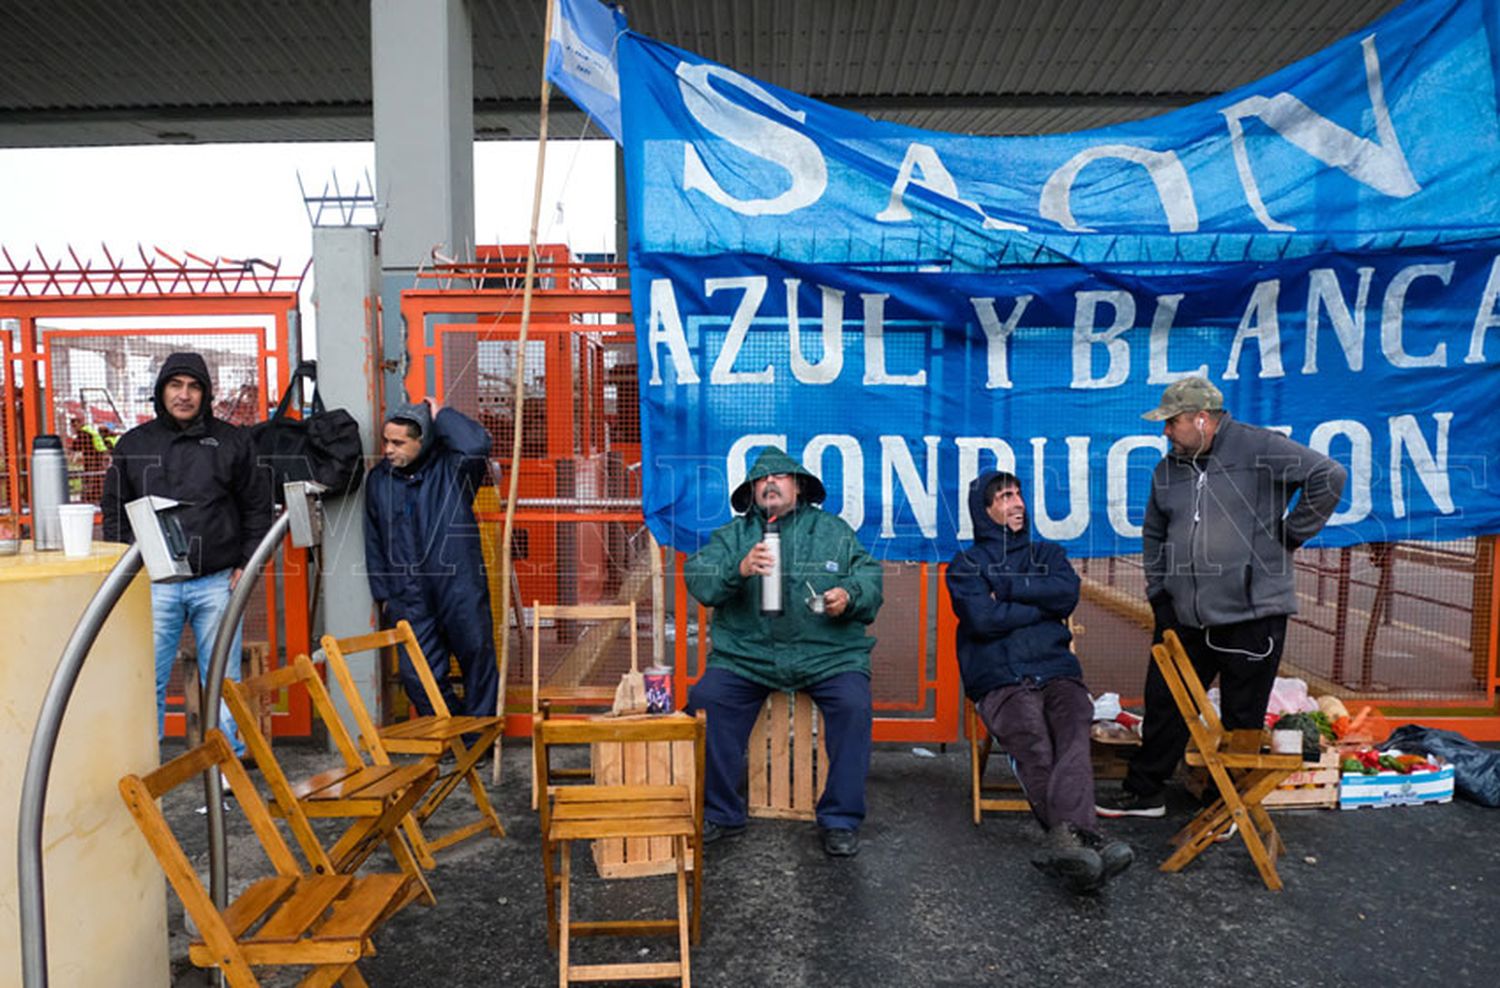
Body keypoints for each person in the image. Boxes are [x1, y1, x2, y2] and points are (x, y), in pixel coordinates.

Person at [1097, 376, 1347, 818]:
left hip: (1251, 613)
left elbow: (1329, 475)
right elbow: (1154, 533)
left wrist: (1289, 534)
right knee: (1165, 701)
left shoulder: (1259, 447)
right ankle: (1145, 792)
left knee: (1242, 718)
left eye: (1172, 422)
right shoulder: (1168, 468)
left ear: (1201, 419)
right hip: (1182, 612)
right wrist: (1159, 592)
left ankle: (1227, 806)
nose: (1166, 432)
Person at [683, 447, 883, 858]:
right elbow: (699, 579)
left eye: (780, 477)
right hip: (748, 655)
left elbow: (870, 578)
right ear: (752, 491)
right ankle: (720, 811)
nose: (769, 483)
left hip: (826, 653)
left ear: (799, 486)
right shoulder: (734, 536)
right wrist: (737, 569)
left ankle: (841, 819)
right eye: (761, 479)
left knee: (853, 705)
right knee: (707, 700)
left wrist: (848, 594)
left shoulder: (833, 531)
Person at [947, 470, 1133, 894]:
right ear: (985, 510)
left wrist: (1008, 590)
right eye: (1004, 497)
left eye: (1018, 495)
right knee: (1033, 740)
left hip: (1057, 670)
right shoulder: (966, 565)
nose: (1016, 503)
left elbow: (1065, 595)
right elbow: (983, 619)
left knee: (1073, 732)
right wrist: (1039, 604)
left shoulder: (1048, 553)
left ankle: (1068, 846)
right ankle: (1086, 841)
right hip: (999, 677)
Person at [101, 352, 272, 758]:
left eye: (193, 386)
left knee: (222, 679)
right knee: (149, 678)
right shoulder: (135, 444)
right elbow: (115, 509)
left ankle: (226, 766)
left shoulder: (232, 441)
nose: (184, 395)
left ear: (205, 393)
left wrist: (248, 562)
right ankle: (146, 765)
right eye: (175, 385)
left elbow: (257, 505)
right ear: (161, 391)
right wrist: (130, 566)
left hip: (216, 580)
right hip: (156, 584)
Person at [364, 396, 499, 720]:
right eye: (386, 441)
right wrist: (384, 593)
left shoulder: (453, 469)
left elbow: (477, 445)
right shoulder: (380, 479)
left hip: (458, 583)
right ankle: (452, 732)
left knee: (476, 658)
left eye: (398, 442)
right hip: (408, 593)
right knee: (417, 673)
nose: (388, 450)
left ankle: (477, 736)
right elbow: (373, 538)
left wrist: (443, 414)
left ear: (422, 441)